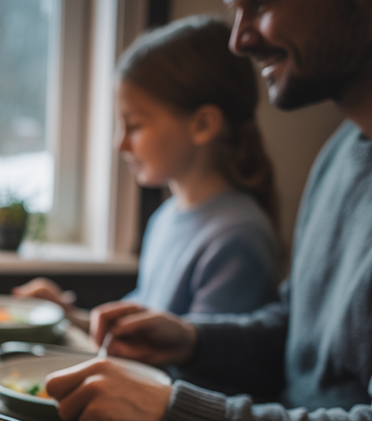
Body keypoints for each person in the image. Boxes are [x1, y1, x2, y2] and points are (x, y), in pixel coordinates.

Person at [45, 0, 372, 421]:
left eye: (261, 4)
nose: (240, 39)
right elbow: (300, 327)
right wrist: (192, 340)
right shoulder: (342, 154)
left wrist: (177, 416)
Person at [15, 16, 279, 330]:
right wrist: (69, 319)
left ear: (204, 124)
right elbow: (143, 331)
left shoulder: (236, 239)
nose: (120, 143)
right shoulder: (166, 218)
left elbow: (206, 366)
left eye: (135, 125)